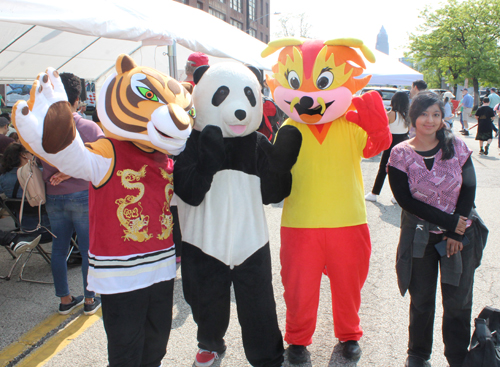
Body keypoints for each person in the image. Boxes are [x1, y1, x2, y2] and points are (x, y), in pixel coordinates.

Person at [388, 91, 481, 367]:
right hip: (420, 237)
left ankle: (456, 357)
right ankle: (418, 354)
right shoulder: (400, 153)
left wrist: (456, 230)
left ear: (443, 118)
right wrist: (449, 221)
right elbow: (405, 200)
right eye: (424, 114)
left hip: (460, 237)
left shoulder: (457, 147)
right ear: (413, 117)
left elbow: (470, 188)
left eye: (436, 114)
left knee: (458, 302)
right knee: (422, 299)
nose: (429, 120)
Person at [42, 72, 104, 316]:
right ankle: (90, 299)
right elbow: (104, 155)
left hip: (53, 194)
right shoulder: (87, 126)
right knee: (89, 248)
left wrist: (61, 173)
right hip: (82, 193)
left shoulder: (43, 127)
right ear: (77, 98)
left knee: (58, 248)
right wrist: (70, 172)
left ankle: (65, 299)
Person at [365, 91, 410, 203]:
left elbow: (381, 127)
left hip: (391, 143)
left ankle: (374, 193)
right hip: (404, 142)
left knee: (383, 169)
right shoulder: (408, 115)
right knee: (400, 170)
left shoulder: (391, 114)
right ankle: (397, 196)